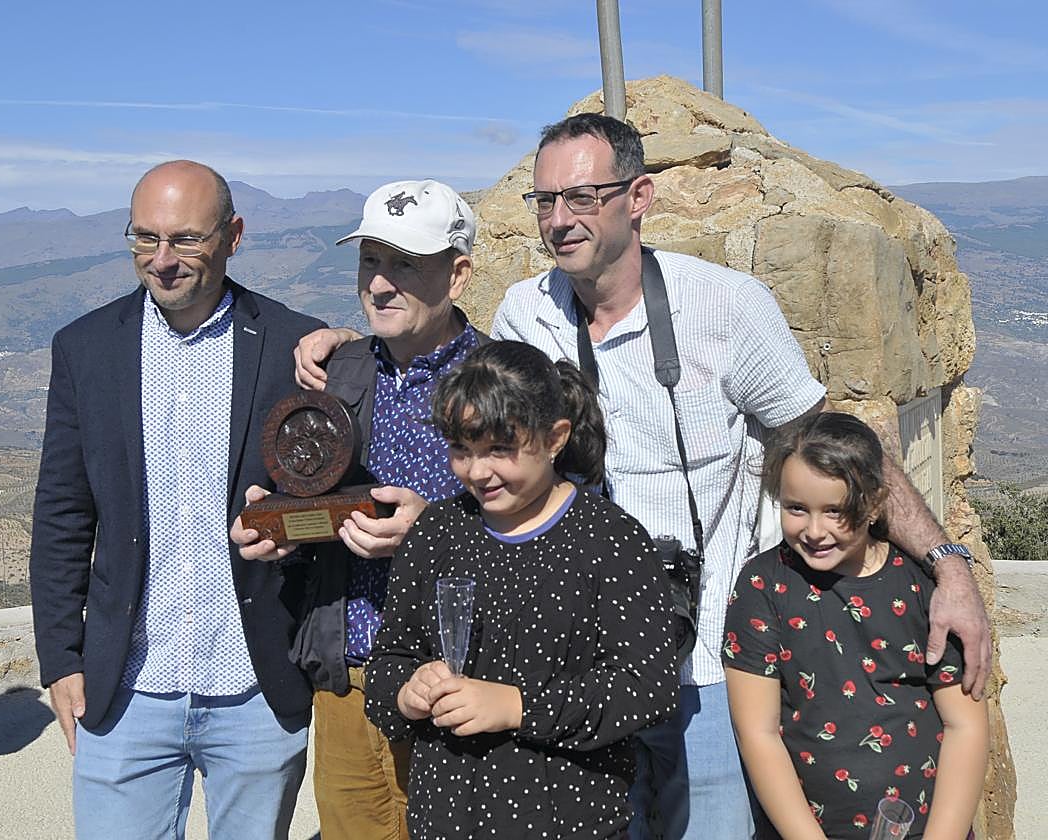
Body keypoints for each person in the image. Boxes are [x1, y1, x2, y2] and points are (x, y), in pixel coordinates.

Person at [292, 111, 991, 839]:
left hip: (708, 663)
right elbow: (479, 406)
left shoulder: (725, 307)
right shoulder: (527, 313)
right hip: (571, 662)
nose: (560, 220)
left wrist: (947, 566)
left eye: (583, 197)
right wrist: (351, 340)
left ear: (640, 197)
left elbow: (835, 444)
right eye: (545, 201)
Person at [29, 160, 325, 840]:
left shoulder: (294, 345)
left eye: (186, 240)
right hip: (126, 686)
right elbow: (62, 515)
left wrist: (295, 529)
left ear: (233, 236)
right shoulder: (84, 349)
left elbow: (328, 501)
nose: (161, 261)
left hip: (255, 684)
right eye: (144, 238)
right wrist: (61, 659)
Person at [232, 179, 484, 839]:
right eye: (371, 261)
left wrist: (434, 529)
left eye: (405, 263)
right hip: (345, 678)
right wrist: (278, 521)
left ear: (457, 276)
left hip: (454, 681)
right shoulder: (335, 373)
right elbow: (310, 494)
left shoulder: (504, 383)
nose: (379, 284)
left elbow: (549, 530)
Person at [364, 340, 679, 839]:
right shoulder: (437, 532)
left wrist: (516, 706)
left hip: (570, 820)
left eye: (499, 449)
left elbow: (647, 689)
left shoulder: (608, 540)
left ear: (556, 438)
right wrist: (407, 691)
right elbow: (388, 659)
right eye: (461, 450)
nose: (477, 471)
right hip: (444, 818)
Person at [724, 411, 987, 839]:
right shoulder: (763, 587)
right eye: (796, 508)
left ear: (876, 502)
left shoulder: (924, 587)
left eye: (835, 511)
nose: (814, 530)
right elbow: (759, 731)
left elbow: (966, 723)